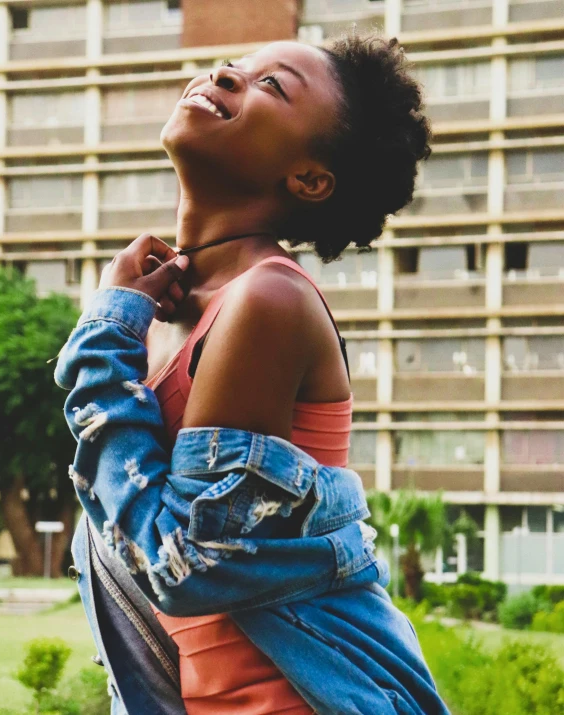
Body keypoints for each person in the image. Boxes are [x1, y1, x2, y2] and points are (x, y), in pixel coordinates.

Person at [56, 32, 448, 715]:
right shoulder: (159, 314)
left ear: (309, 178)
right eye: (237, 65)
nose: (227, 74)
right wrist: (120, 321)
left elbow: (178, 564)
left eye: (273, 85)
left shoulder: (267, 301)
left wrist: (104, 328)